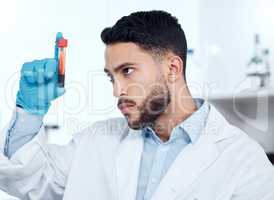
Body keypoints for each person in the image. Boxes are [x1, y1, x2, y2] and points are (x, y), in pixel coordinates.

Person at [0, 10, 274, 200]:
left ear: (172, 67)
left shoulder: (244, 161)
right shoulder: (96, 142)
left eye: (127, 71)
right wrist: (29, 113)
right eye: (111, 77)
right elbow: (29, 178)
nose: (117, 90)